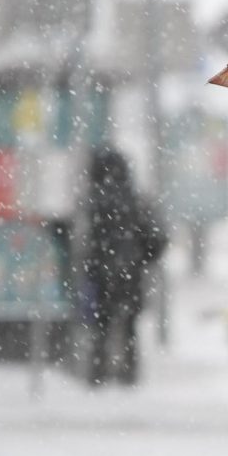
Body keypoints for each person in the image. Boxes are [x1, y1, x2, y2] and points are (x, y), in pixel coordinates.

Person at [83, 146, 167, 386]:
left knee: (101, 324)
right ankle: (128, 373)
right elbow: (156, 238)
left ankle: (97, 373)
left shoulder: (92, 200)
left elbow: (82, 239)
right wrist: (142, 258)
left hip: (100, 272)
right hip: (130, 272)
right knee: (129, 325)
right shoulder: (136, 200)